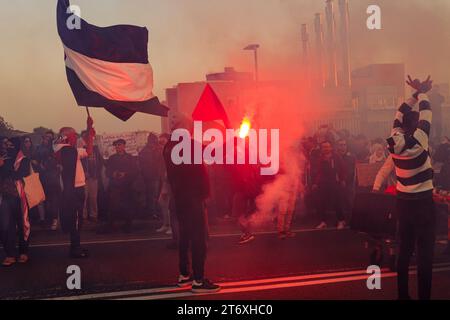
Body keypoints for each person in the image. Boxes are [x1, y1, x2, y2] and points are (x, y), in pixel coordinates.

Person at [387, 76, 435, 300]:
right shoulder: (420, 139)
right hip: (423, 203)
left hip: (402, 202)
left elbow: (400, 112)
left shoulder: (394, 139)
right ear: (416, 125)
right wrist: (422, 91)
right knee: (425, 252)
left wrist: (417, 93)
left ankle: (402, 296)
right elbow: (427, 110)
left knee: (404, 250)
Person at [163, 113, 220, 293]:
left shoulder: (169, 145)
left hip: (180, 198)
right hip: (193, 199)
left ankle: (184, 275)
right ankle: (198, 280)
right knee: (198, 239)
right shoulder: (187, 145)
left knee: (185, 238)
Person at [55, 119, 93, 259]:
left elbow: (86, 150)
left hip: (72, 188)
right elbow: (89, 150)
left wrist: (89, 130)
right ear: (67, 137)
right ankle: (75, 249)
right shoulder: (69, 151)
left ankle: (75, 246)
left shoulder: (61, 149)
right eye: (74, 135)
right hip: (74, 189)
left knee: (75, 219)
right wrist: (89, 133)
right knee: (76, 219)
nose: (76, 137)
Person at [0, 137, 32, 266]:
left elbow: (18, 175)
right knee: (6, 226)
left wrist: (5, 166)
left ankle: (23, 252)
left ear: (16, 146)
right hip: (6, 198)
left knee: (23, 225)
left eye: (10, 145)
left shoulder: (24, 160)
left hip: (21, 198)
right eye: (6, 144)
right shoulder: (3, 160)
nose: (7, 147)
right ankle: (10, 254)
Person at [311, 141, 347, 230]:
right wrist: (315, 183)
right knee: (321, 203)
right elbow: (318, 172)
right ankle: (323, 222)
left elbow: (342, 168)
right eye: (324, 147)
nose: (326, 148)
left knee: (337, 203)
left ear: (331, 147)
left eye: (327, 147)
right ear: (321, 148)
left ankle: (341, 221)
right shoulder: (320, 158)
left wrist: (342, 180)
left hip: (335, 183)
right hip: (323, 184)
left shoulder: (336, 157)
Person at [105, 139, 138, 233]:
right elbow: (107, 172)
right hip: (115, 185)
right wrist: (113, 174)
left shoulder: (130, 158)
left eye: (119, 145)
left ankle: (128, 225)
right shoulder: (111, 158)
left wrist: (125, 174)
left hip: (127, 186)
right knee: (113, 206)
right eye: (116, 145)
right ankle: (111, 225)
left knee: (128, 206)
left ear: (124, 146)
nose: (117, 147)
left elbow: (135, 171)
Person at [35, 132, 61, 231]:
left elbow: (58, 162)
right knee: (45, 201)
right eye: (45, 138)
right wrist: (39, 165)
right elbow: (36, 159)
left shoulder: (55, 149)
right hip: (43, 178)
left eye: (48, 138)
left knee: (53, 200)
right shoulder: (39, 149)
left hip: (53, 179)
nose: (46, 139)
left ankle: (54, 220)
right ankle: (47, 220)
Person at [79, 130, 103, 224]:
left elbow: (100, 162)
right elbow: (79, 163)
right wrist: (83, 172)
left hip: (94, 178)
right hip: (84, 178)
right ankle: (84, 217)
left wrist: (96, 174)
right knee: (84, 198)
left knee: (93, 198)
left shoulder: (96, 149)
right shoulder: (82, 149)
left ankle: (93, 215)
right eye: (85, 137)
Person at [139, 133, 163, 220]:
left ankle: (153, 212)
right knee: (154, 195)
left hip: (153, 176)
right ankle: (154, 213)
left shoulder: (144, 151)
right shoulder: (150, 151)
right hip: (153, 177)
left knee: (153, 195)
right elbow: (150, 164)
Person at [336, 139, 356, 218]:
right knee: (340, 203)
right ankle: (342, 220)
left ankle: (352, 219)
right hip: (337, 184)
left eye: (344, 145)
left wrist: (346, 180)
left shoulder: (351, 157)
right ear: (337, 146)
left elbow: (353, 170)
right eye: (341, 145)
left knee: (350, 202)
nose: (343, 147)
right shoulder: (335, 157)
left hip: (349, 184)